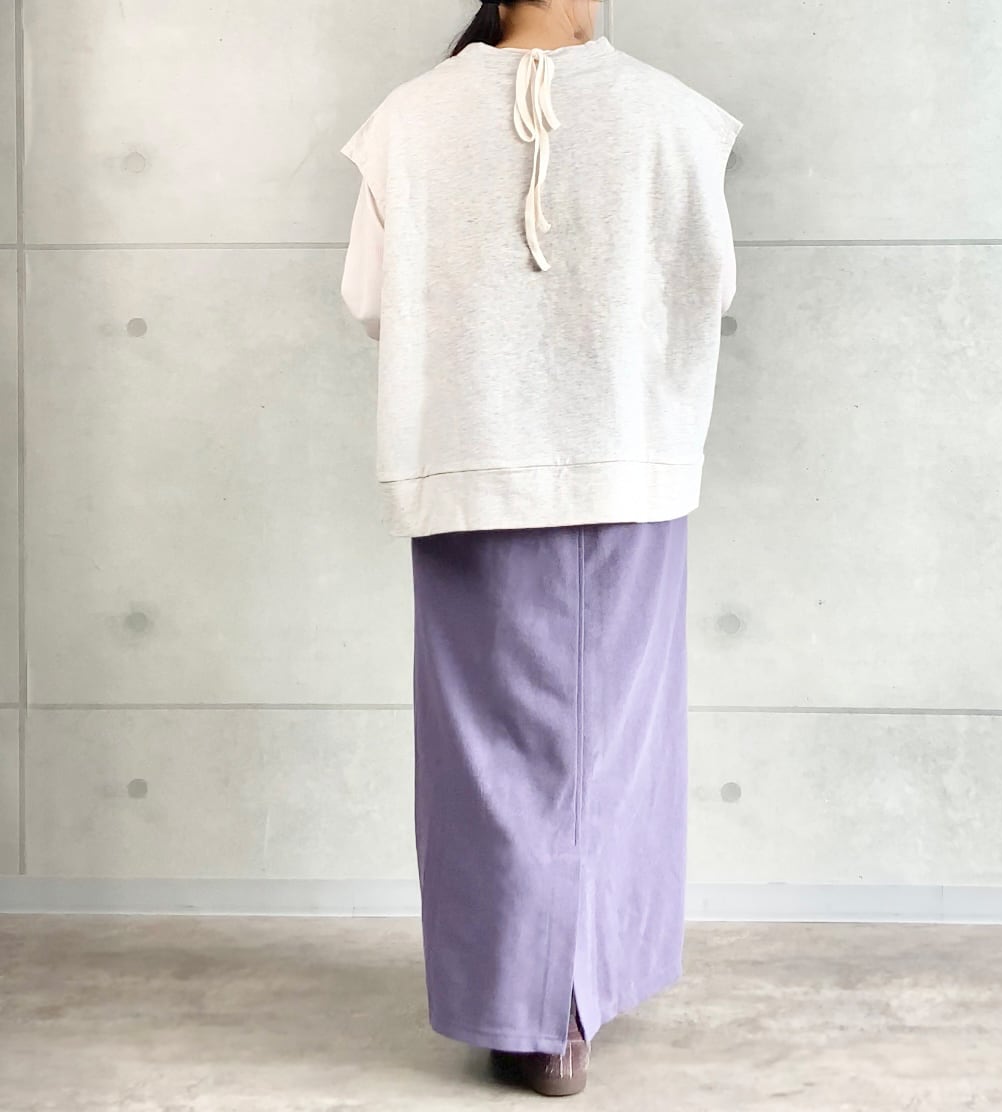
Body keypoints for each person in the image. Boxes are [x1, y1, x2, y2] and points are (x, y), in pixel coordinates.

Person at [338, 0, 741, 1097]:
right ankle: (576, 1001)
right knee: (614, 743)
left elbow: (371, 301)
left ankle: (518, 1007)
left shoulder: (406, 118)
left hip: (466, 460)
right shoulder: (678, 116)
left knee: (482, 756)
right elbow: (711, 289)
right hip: (629, 465)